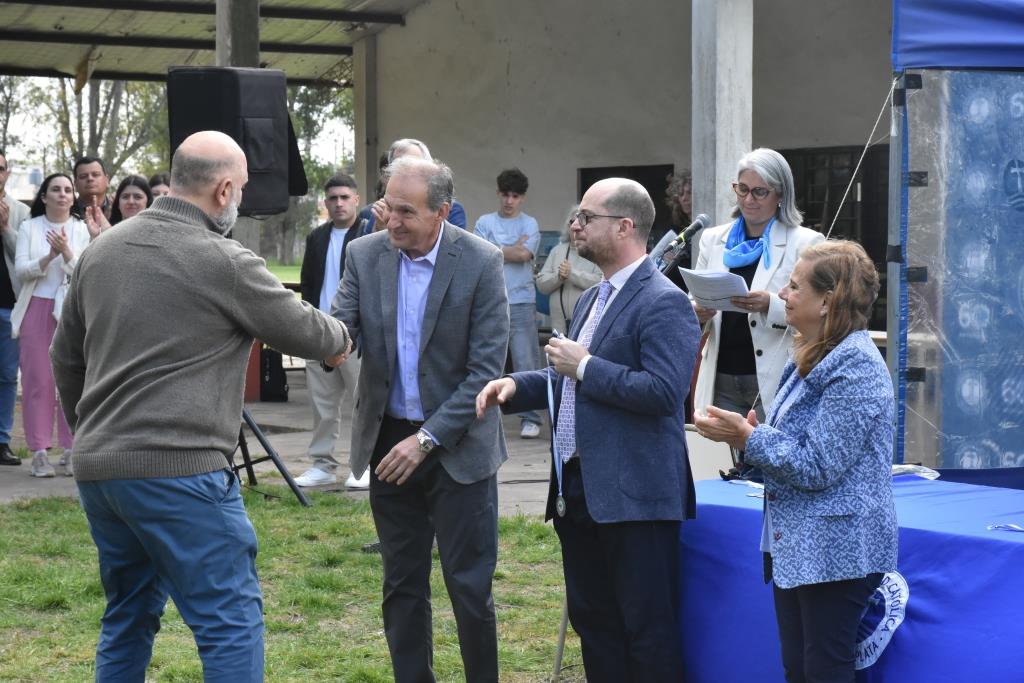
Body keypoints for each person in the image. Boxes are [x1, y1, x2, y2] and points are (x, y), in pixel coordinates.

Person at [50, 130, 351, 681]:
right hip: (182, 470)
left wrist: (91, 431)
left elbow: (63, 357)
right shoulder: (222, 258)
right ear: (225, 189)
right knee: (229, 621)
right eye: (241, 189)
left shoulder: (101, 251)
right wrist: (342, 341)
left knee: (127, 615)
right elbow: (312, 333)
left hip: (101, 474)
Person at [476, 178, 701, 682]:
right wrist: (516, 384)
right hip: (580, 493)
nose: (575, 225)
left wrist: (586, 367)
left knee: (647, 632)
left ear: (624, 227)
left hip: (636, 497)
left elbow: (664, 394)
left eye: (586, 217)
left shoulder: (663, 301)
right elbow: (566, 376)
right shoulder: (592, 298)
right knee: (595, 624)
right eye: (576, 217)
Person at [332, 156, 508, 682]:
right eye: (389, 207)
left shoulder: (481, 261)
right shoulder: (364, 255)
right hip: (389, 442)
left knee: (469, 586)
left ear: (443, 212)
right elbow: (340, 328)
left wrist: (427, 439)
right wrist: (312, 338)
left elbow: (483, 374)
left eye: (407, 211)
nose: (393, 221)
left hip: (460, 446)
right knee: (402, 583)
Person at [694, 240, 897, 683]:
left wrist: (750, 437)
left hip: (837, 548)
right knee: (800, 667)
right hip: (802, 544)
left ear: (827, 301)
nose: (781, 294)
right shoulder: (811, 351)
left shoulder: (856, 366)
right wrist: (747, 441)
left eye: (793, 286)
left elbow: (817, 465)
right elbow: (790, 449)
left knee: (823, 668)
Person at [693, 148, 823, 472]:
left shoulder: (805, 242)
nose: (749, 199)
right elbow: (695, 297)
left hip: (773, 373)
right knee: (720, 467)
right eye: (742, 189)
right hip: (721, 372)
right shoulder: (713, 239)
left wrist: (771, 305)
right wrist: (697, 312)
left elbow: (819, 311)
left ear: (780, 194)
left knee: (770, 468)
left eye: (760, 192)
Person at [295, 173, 369, 488]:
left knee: (363, 403)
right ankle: (322, 464)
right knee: (323, 405)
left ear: (357, 200)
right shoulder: (316, 237)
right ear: (325, 203)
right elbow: (308, 284)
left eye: (344, 197)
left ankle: (363, 466)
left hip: (354, 334)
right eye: (333, 198)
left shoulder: (368, 237)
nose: (338, 203)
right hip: (320, 331)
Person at [13, 173, 91, 477]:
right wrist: (49, 256)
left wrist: (67, 252)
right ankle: (40, 452)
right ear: (44, 196)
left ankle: (73, 449)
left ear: (73, 197)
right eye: (55, 190)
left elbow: (84, 271)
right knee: (38, 382)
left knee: (72, 380)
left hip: (72, 311)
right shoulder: (29, 228)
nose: (62, 194)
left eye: (67, 190)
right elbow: (22, 271)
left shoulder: (81, 229)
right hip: (37, 309)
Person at [475, 168, 543, 439]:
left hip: (522, 301)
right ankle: (485, 414)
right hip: (489, 301)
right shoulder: (484, 221)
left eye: (515, 195)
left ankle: (531, 417)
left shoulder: (531, 224)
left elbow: (524, 254)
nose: (509, 200)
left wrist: (496, 247)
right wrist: (511, 248)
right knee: (487, 359)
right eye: (505, 194)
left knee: (526, 360)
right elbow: (482, 255)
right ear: (498, 193)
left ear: (522, 198)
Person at [357, 138, 468, 233]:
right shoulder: (379, 211)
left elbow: (450, 253)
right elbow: (368, 254)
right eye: (399, 165)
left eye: (415, 164)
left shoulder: (451, 210)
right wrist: (380, 230)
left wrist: (388, 231)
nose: (406, 171)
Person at [0, 151, 28, 467]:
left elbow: (25, 254)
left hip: (10, 306)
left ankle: (2, 441)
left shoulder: (21, 211)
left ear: (7, 173)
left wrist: (6, 227)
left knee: (7, 377)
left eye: (1, 169)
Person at [534, 204, 602, 333]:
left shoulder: (596, 251)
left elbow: (601, 283)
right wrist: (558, 277)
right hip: (559, 328)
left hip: (586, 327)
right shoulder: (557, 251)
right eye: (572, 222)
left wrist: (572, 274)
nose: (576, 226)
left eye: (582, 221)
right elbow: (541, 285)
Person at [73, 156, 112, 225]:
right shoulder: (67, 211)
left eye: (95, 175)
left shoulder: (119, 208)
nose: (90, 179)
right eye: (83, 176)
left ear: (107, 180)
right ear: (75, 185)